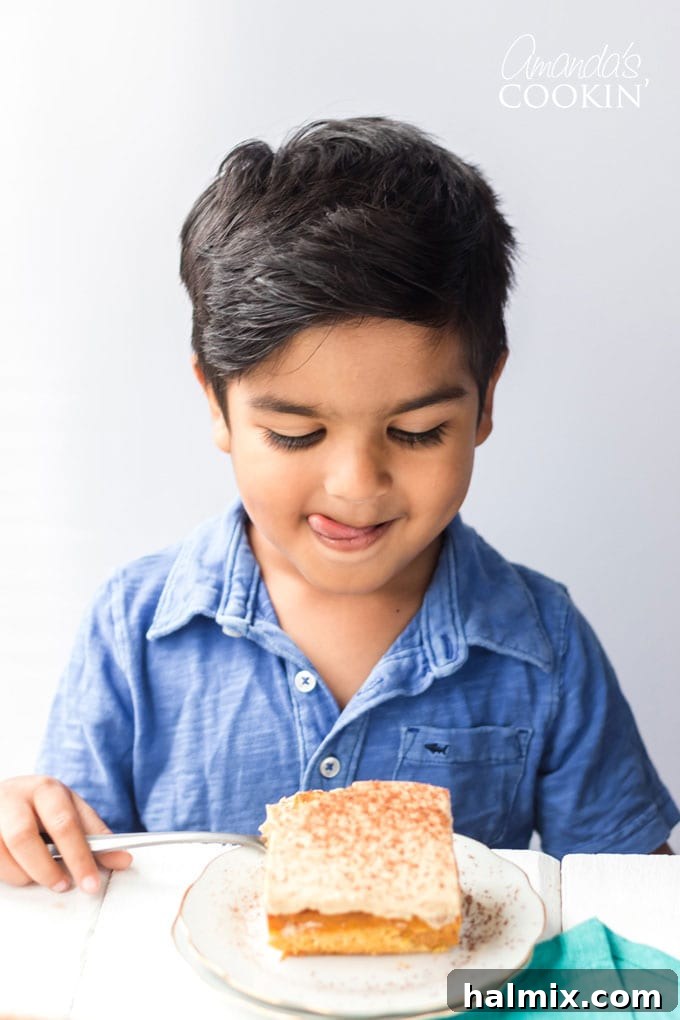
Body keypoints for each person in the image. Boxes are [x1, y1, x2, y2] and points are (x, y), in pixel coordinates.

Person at [0, 117, 676, 896]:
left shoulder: (544, 644)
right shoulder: (133, 630)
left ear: (486, 399)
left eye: (418, 432)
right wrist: (30, 838)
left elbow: (636, 912)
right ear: (216, 405)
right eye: (296, 434)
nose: (357, 484)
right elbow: (73, 881)